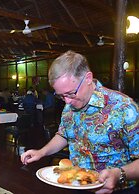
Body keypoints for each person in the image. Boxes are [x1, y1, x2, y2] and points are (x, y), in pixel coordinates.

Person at [21, 50, 139, 194]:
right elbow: (64, 135)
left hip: (119, 190)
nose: (67, 101)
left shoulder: (124, 107)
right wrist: (41, 152)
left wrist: (119, 174)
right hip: (77, 184)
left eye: (71, 93)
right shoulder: (69, 104)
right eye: (61, 96)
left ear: (88, 78)